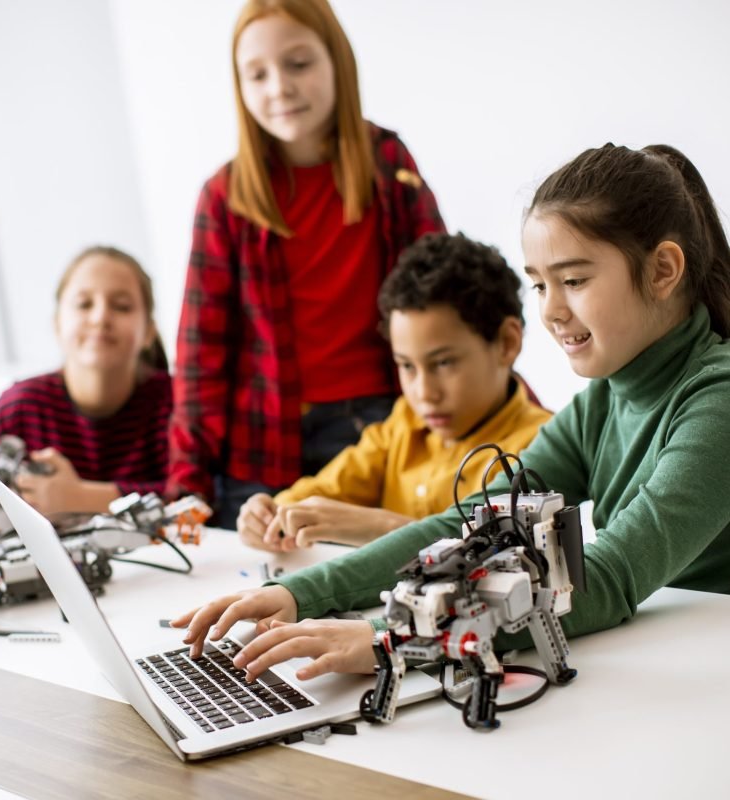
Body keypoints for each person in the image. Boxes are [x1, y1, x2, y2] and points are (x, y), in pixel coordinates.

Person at [173, 142, 730, 683]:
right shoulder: (602, 403)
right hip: (651, 663)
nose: (552, 311)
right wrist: (297, 593)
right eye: (540, 285)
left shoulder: (718, 400)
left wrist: (389, 636)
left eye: (574, 280)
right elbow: (466, 527)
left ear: (662, 271)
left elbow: (610, 577)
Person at [167, 0, 445, 529]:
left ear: (337, 61)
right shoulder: (224, 199)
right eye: (258, 74)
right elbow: (201, 357)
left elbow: (448, 297)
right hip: (263, 449)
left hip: (379, 431)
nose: (279, 87)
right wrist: (187, 484)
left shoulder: (389, 166)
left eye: (298, 64)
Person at [237, 232, 551, 551]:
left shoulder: (543, 446)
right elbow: (314, 495)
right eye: (407, 366)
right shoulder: (403, 423)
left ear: (507, 343)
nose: (424, 393)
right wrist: (267, 514)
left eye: (443, 363)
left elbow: (507, 554)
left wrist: (384, 527)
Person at [0, 246, 171, 515]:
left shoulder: (175, 405)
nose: (100, 317)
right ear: (57, 323)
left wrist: (80, 497)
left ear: (149, 331)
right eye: (84, 304)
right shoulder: (19, 408)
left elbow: (197, 496)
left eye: (122, 306)